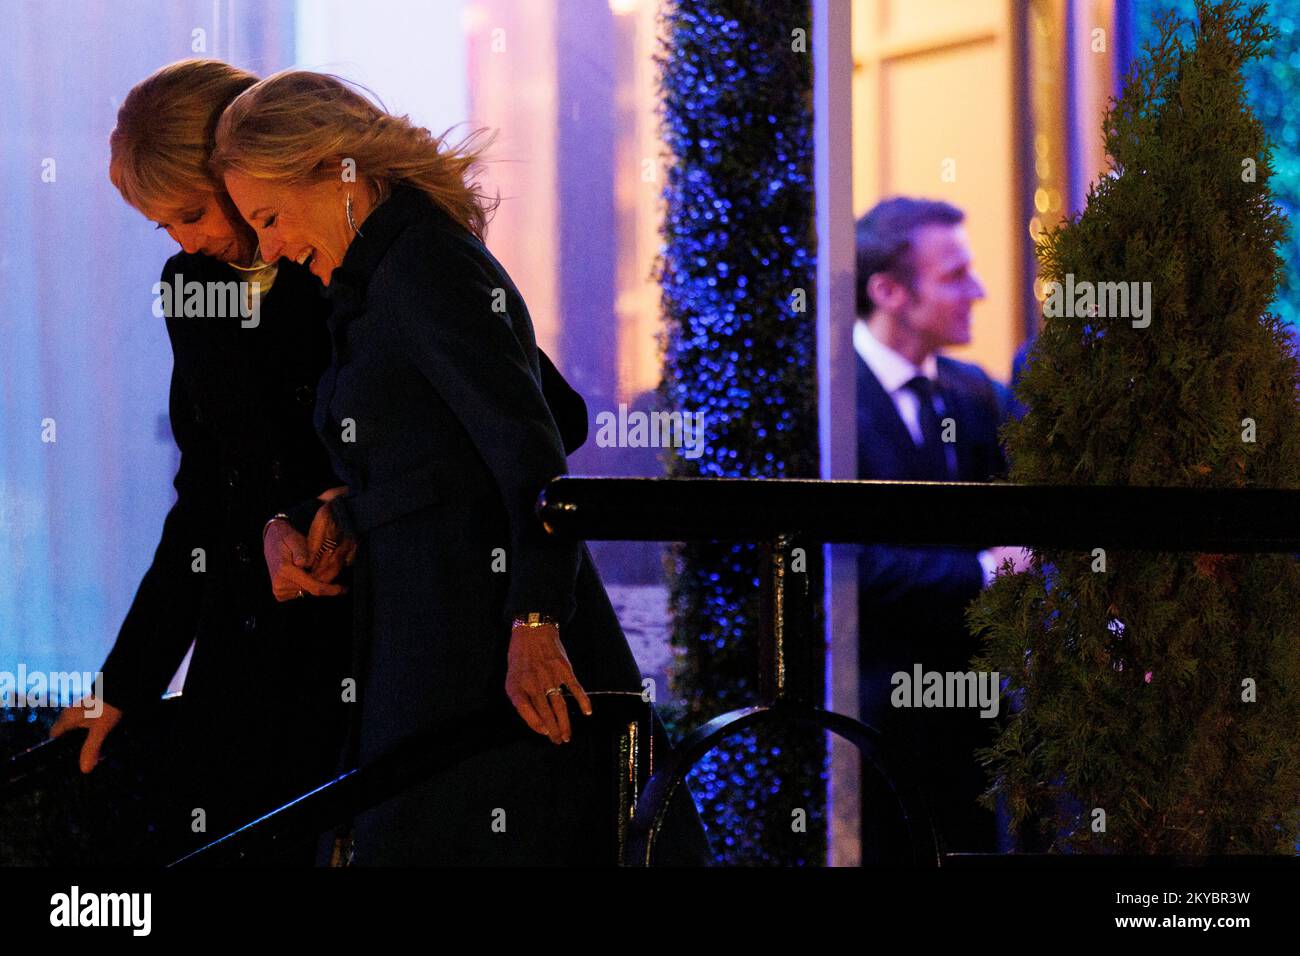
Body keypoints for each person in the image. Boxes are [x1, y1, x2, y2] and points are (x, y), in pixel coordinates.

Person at [50, 59, 590, 866]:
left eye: (196, 211)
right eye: (163, 226)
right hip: (261, 640)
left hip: (388, 622)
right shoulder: (197, 285)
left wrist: (339, 505)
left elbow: (544, 423)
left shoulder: (368, 255)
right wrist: (125, 682)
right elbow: (207, 488)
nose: (189, 240)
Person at [211, 69, 711, 866]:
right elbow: (545, 413)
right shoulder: (386, 269)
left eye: (269, 218)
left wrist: (538, 620)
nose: (268, 248)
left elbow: (534, 452)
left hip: (481, 636)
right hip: (436, 629)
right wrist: (351, 509)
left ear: (330, 168)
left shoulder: (423, 264)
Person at [852, 196, 1030, 857]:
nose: (979, 292)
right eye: (955, 275)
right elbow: (848, 564)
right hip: (869, 732)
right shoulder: (830, 400)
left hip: (973, 733)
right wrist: (985, 573)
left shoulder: (974, 392)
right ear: (889, 291)